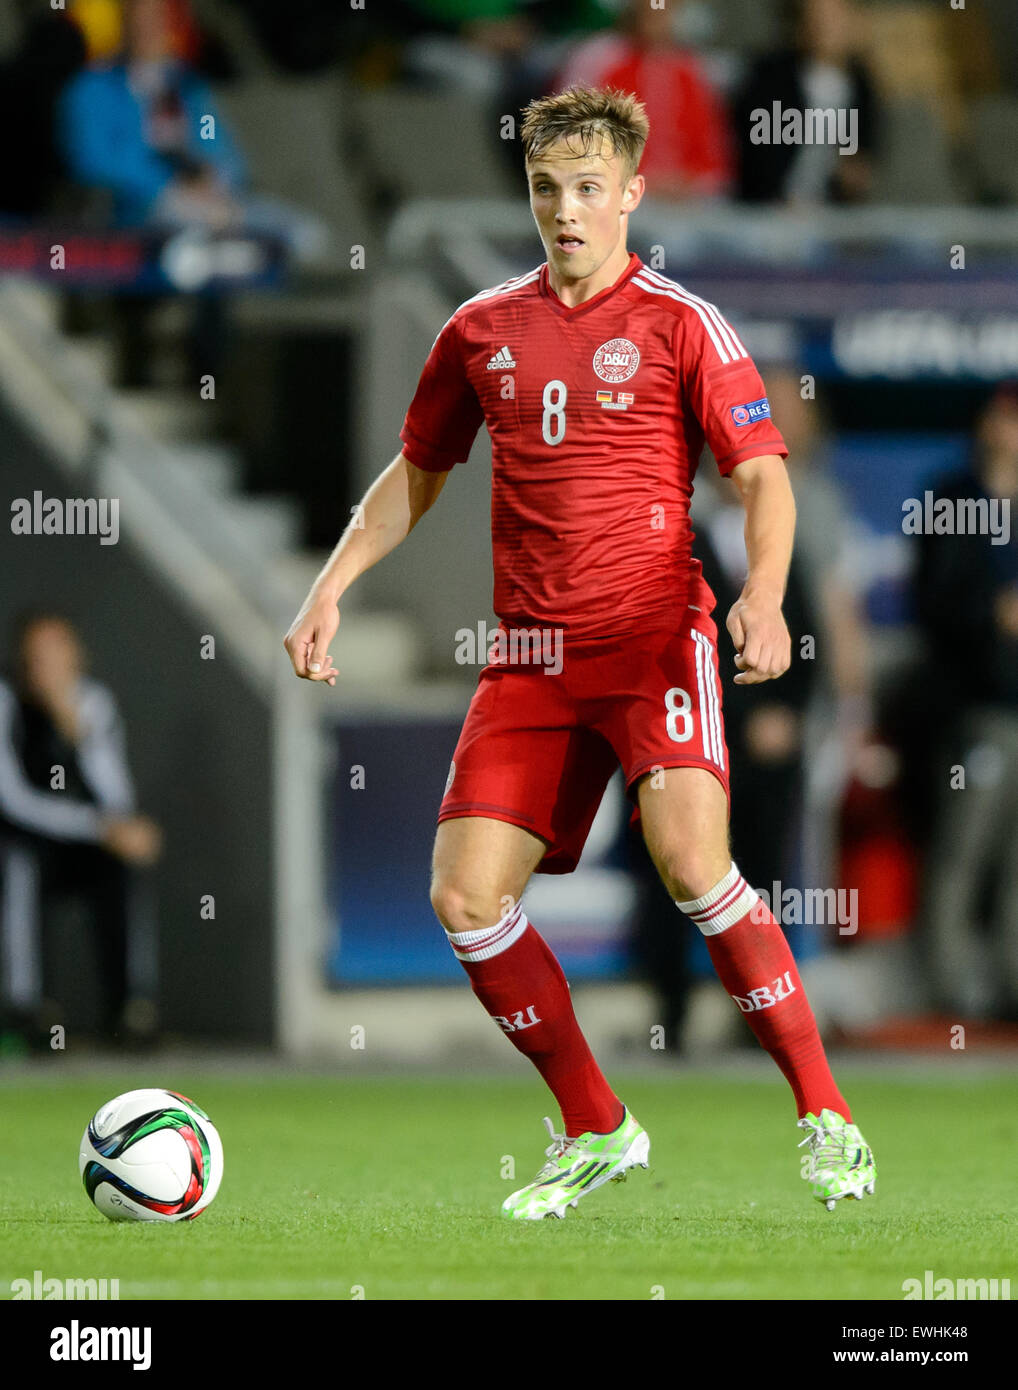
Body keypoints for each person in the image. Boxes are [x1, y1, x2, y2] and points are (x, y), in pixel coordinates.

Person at [283, 85, 876, 1218]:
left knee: (693, 863)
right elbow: (417, 473)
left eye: (588, 188)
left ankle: (825, 1116)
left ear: (631, 195)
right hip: (532, 660)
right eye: (546, 188)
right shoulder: (479, 330)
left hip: (656, 639)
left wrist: (762, 595)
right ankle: (598, 1125)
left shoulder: (680, 323)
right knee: (463, 897)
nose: (565, 209)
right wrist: (331, 589)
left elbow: (761, 476)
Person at [0, 613, 161, 1047]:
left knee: (124, 862)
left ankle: (132, 1011)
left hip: (86, 844)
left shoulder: (93, 703)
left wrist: (77, 733)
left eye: (57, 650)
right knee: (20, 863)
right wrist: (96, 827)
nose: (47, 664)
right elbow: (12, 801)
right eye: (37, 654)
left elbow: (116, 798)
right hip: (25, 842)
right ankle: (27, 1008)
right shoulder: (5, 704)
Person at [912, 384, 1018, 1019]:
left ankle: (1011, 989)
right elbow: (934, 602)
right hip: (978, 709)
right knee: (963, 850)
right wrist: (993, 613)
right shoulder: (952, 497)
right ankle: (951, 993)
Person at [553, 0, 733, 199]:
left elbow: (714, 158)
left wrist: (689, 185)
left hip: (687, 203)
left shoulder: (694, 68)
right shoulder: (597, 59)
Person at [733, 0, 878, 205]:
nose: (823, 26)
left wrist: (851, 174)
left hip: (830, 211)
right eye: (815, 17)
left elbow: (858, 159)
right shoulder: (770, 78)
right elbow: (757, 157)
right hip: (769, 208)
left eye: (833, 18)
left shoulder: (860, 87)